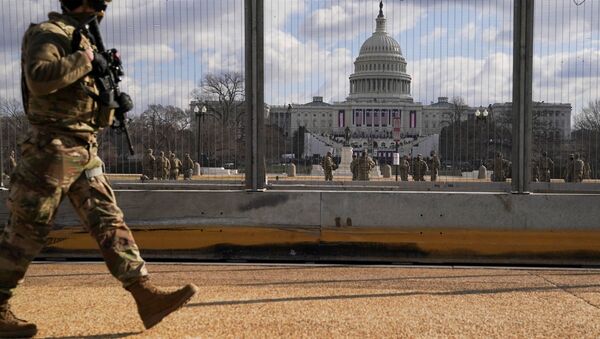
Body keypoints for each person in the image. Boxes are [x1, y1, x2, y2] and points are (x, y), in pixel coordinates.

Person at [0, 1, 198, 337]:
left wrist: (111, 104)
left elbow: (81, 97)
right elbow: (39, 79)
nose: (102, 10)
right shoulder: (49, 34)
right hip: (52, 149)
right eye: (98, 3)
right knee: (27, 230)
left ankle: (143, 294)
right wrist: (87, 60)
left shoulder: (83, 39)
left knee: (108, 220)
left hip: (82, 149)